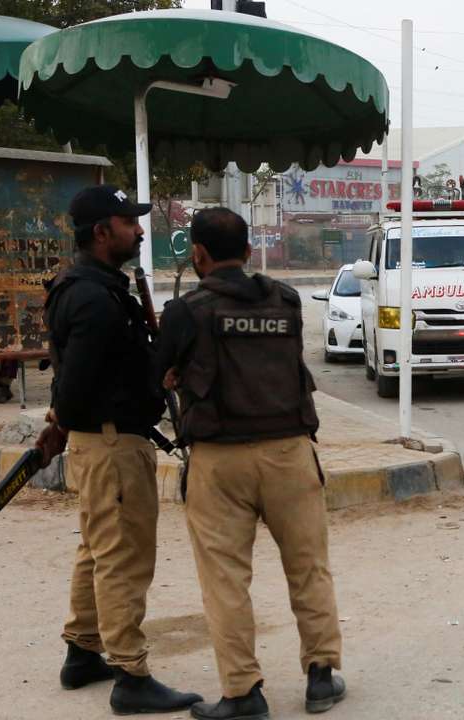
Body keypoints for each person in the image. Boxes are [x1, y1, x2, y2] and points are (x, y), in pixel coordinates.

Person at [154, 208, 345, 719]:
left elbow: (158, 374)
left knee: (226, 581)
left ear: (198, 254)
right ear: (246, 248)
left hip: (219, 461)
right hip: (290, 453)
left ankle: (243, 692)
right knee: (308, 568)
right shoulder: (286, 300)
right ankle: (321, 677)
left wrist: (174, 375)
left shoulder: (184, 310)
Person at [41, 185, 202, 715]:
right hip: (111, 444)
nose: (138, 230)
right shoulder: (92, 296)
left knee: (97, 549)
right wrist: (59, 421)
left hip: (104, 439)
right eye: (127, 223)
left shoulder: (95, 286)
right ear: (100, 232)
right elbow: (77, 382)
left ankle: (83, 650)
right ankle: (130, 674)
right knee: (123, 558)